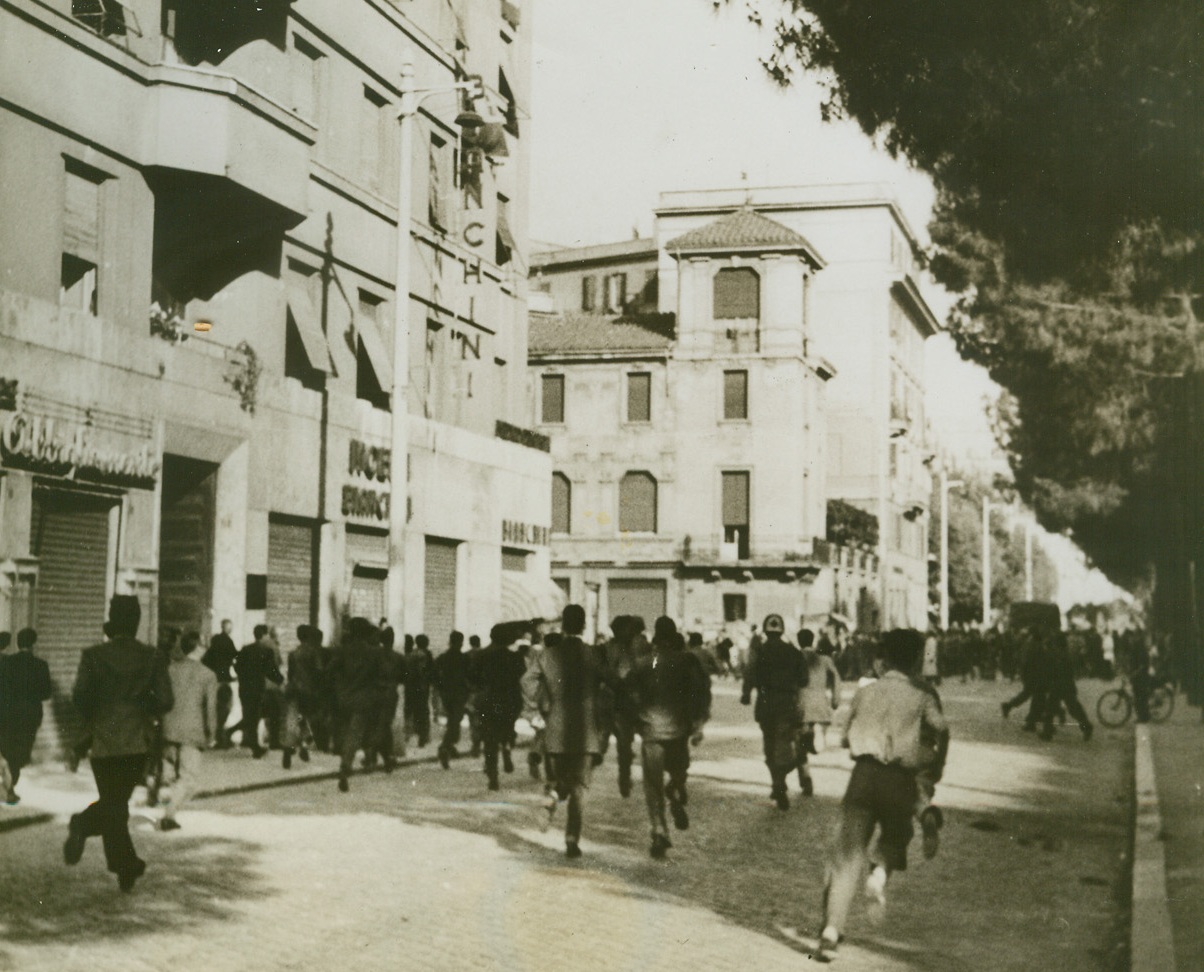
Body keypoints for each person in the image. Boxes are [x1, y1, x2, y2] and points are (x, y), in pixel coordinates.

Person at [815, 629, 949, 959]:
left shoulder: (866, 691)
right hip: (900, 779)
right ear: (918, 658)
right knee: (897, 833)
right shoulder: (923, 694)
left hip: (863, 776)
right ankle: (879, 873)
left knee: (846, 854)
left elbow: (846, 737)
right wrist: (934, 767)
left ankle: (831, 931)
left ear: (885, 657)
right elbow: (941, 728)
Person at [65, 596, 173, 892]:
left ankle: (125, 865)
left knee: (114, 805)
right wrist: (140, 704)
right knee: (116, 805)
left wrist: (100, 714)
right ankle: (85, 827)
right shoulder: (152, 657)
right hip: (135, 742)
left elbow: (80, 698)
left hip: (102, 743)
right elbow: (165, 700)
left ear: (113, 620)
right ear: (137, 622)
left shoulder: (94, 655)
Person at [521, 604, 607, 859]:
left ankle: (554, 795)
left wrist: (533, 708)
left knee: (562, 778)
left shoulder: (547, 655)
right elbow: (612, 682)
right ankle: (571, 839)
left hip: (555, 730)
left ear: (563, 625)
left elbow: (526, 680)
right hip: (586, 731)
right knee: (580, 787)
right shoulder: (594, 655)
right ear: (583, 626)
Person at [625, 617, 710, 859]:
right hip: (678, 729)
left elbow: (627, 693)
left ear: (655, 638)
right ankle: (675, 788)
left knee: (652, 785)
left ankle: (659, 829)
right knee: (679, 770)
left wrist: (635, 720)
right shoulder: (686, 661)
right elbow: (700, 691)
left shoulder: (643, 663)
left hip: (651, 730)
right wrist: (698, 720)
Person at [742, 614, 808, 809]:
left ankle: (777, 782)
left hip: (765, 704)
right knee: (783, 744)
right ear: (782, 630)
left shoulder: (759, 652)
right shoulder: (794, 652)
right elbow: (803, 679)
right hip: (787, 704)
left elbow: (749, 674)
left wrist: (746, 694)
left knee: (769, 745)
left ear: (765, 631)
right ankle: (780, 780)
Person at [159, 630, 218, 831]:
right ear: (199, 648)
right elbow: (210, 708)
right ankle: (169, 815)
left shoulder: (170, 669)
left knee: (171, 771)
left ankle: (162, 792)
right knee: (189, 779)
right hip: (192, 732)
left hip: (168, 729)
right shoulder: (208, 675)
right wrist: (212, 733)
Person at [328, 618, 387, 793]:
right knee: (356, 734)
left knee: (347, 732)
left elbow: (328, 672)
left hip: (343, 700)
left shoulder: (341, 651)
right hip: (364, 701)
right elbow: (381, 677)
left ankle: (351, 760)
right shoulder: (374, 653)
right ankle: (346, 765)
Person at [469, 624, 526, 790]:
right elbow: (521, 676)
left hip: (488, 699)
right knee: (507, 728)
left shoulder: (481, 655)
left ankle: (493, 775)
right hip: (509, 700)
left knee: (489, 738)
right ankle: (507, 746)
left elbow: (472, 677)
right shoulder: (515, 657)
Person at [0, 627, 52, 804]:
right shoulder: (41, 665)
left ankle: (8, 788)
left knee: (8, 752)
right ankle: (8, 789)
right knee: (20, 756)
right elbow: (46, 693)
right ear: (33, 644)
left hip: (8, 716)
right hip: (30, 718)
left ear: (18, 643)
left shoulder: (7, 663)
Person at [598, 615, 644, 798]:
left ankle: (624, 779)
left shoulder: (605, 649)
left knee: (608, 742)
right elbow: (626, 676)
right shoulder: (626, 651)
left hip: (607, 702)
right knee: (623, 746)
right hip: (621, 703)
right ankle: (624, 779)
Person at [797, 627, 841, 797]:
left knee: (799, 745)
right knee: (815, 731)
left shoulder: (795, 658)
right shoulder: (824, 660)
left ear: (799, 641)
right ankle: (817, 736)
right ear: (812, 640)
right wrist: (835, 700)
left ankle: (805, 778)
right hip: (820, 704)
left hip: (801, 704)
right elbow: (836, 678)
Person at [233, 625, 283, 758]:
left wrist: (244, 678)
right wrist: (280, 680)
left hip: (244, 687)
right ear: (265, 635)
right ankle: (256, 747)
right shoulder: (266, 651)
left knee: (250, 715)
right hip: (258, 688)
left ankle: (253, 744)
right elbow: (272, 671)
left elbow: (237, 667)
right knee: (255, 715)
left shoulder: (245, 649)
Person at [1036, 632, 1093, 741]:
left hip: (1059, 686)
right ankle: (1087, 727)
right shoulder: (1065, 653)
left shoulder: (1058, 654)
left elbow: (1056, 671)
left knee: (1051, 709)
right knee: (1074, 709)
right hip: (1067, 686)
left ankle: (1047, 733)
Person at [282, 625, 324, 769]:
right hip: (308, 691)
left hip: (294, 689)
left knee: (295, 719)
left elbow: (290, 674)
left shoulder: (293, 653)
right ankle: (304, 745)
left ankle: (291, 748)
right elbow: (318, 673)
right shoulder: (313, 652)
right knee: (305, 718)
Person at [433, 631, 471, 769]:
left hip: (447, 694)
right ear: (460, 642)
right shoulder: (463, 658)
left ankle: (450, 746)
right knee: (456, 720)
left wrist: (440, 685)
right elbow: (471, 675)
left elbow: (432, 672)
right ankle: (445, 746)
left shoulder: (443, 657)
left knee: (453, 720)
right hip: (459, 694)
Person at [202, 619, 238, 748]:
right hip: (223, 680)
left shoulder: (215, 642)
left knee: (215, 708)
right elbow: (235, 657)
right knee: (224, 708)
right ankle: (219, 737)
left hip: (214, 679)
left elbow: (206, 660)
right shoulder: (227, 641)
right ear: (226, 628)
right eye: (229, 627)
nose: (230, 629)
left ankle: (216, 737)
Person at [404, 634, 433, 749]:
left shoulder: (410, 654)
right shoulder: (424, 654)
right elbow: (423, 671)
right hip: (421, 687)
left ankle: (407, 735)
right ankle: (423, 737)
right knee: (423, 712)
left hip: (410, 687)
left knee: (409, 710)